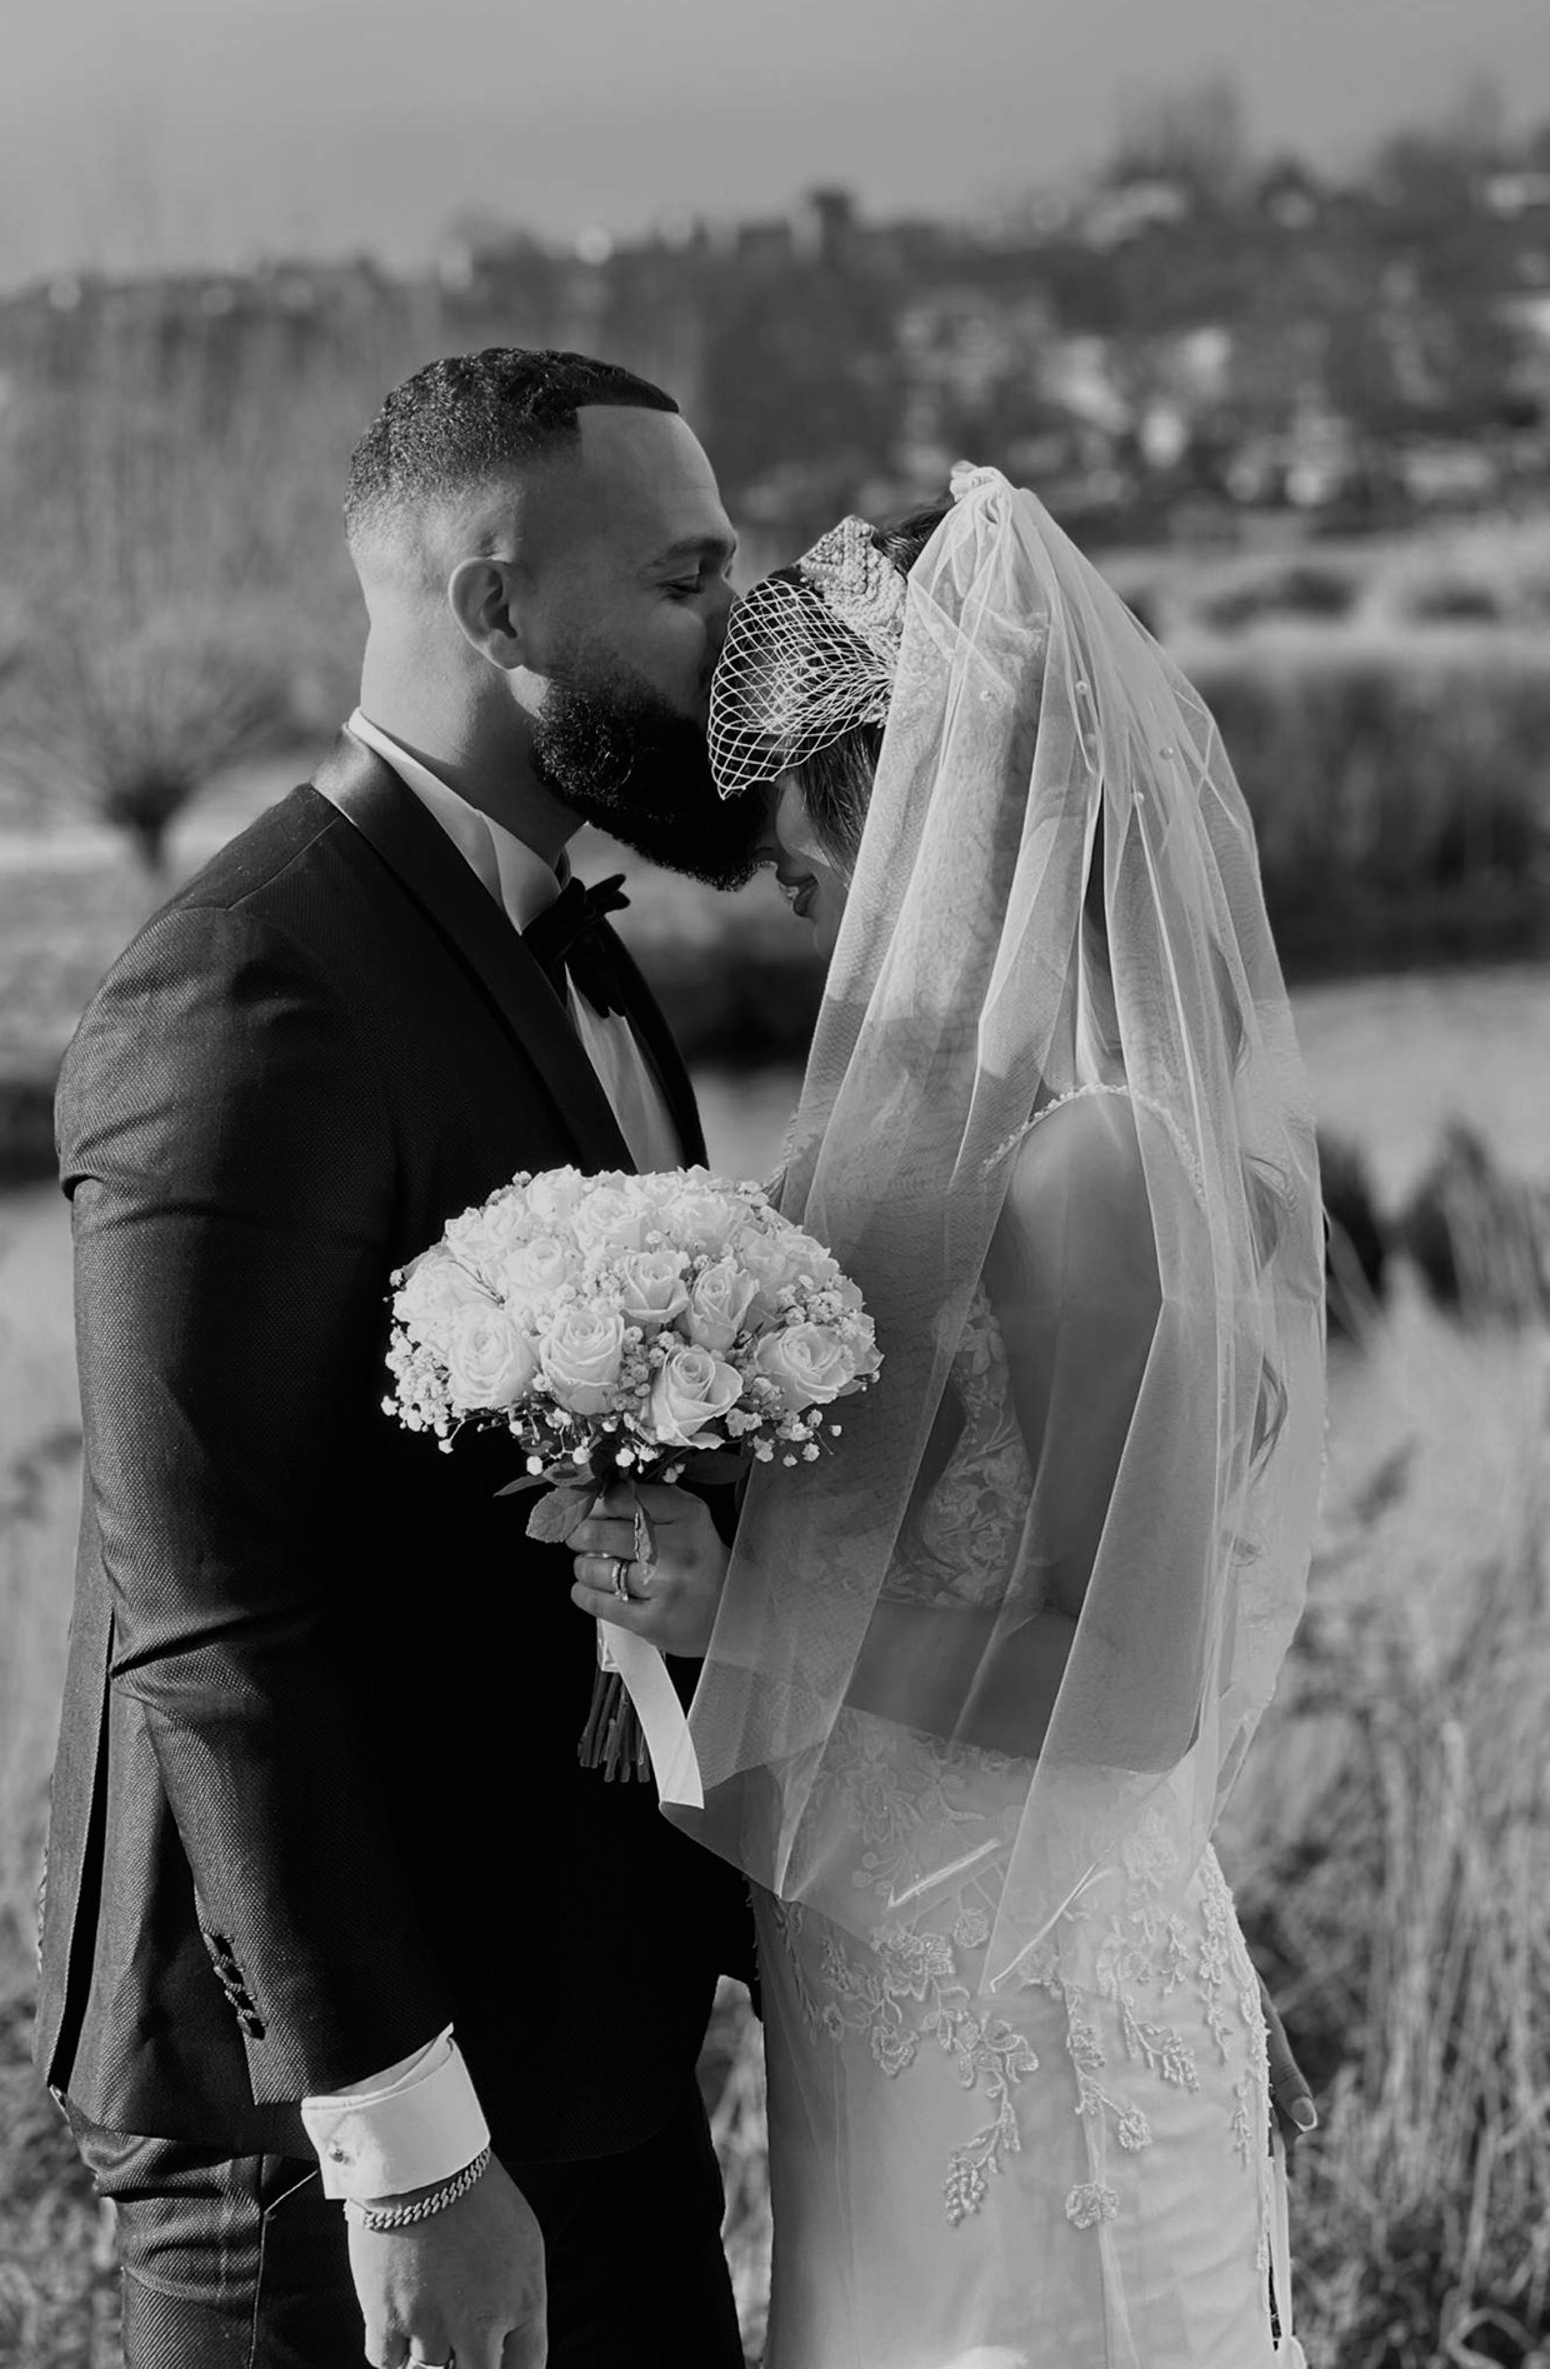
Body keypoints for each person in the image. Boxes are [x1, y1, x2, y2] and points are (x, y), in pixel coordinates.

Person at [34, 346, 770, 2369]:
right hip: (337, 2125)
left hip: (594, 2037)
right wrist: (413, 2151)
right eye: (691, 579)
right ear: (495, 606)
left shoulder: (589, 950)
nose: (744, 637)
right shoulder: (244, 986)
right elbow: (211, 1608)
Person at [566, 467, 1325, 2366]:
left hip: (1036, 1989)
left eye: (808, 854)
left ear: (918, 797)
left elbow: (1124, 1681)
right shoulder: (930, 1154)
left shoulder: (1093, 1169)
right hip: (899, 1956)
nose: (800, 903)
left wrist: (739, 1623)